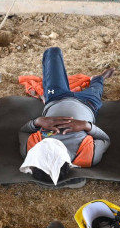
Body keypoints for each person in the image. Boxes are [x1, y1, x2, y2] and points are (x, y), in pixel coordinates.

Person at [19, 47, 114, 185]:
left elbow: (23, 131)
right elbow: (105, 140)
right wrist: (86, 126)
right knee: (97, 86)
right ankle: (99, 78)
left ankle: (93, 81)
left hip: (55, 98)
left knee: (53, 52)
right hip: (89, 104)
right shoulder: (85, 157)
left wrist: (38, 122)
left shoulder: (32, 153)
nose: (43, 145)